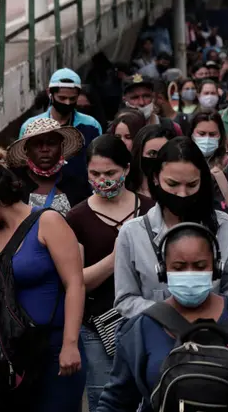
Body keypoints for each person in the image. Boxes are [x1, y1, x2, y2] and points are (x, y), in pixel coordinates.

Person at [96, 223, 228, 412]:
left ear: (216, 267)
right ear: (163, 270)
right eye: (179, 267)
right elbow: (116, 400)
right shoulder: (141, 329)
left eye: (200, 266)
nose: (189, 273)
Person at [0, 153, 85, 411]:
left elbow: (75, 283)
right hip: (9, 360)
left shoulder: (47, 222)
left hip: (54, 350)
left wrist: (70, 344)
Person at [65, 134, 155, 412]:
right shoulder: (77, 217)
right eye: (95, 173)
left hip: (148, 321)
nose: (102, 179)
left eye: (110, 173)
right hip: (98, 327)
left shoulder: (150, 212)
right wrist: (116, 258)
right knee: (105, 400)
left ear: (126, 169)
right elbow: (77, 281)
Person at [114, 137, 228, 318]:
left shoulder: (226, 228)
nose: (182, 193)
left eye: (192, 185)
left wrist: (207, 315)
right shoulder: (132, 233)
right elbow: (125, 299)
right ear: (155, 178)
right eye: (172, 184)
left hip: (214, 335)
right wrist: (169, 316)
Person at [20, 68, 103, 183]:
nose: (67, 103)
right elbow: (23, 163)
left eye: (72, 99)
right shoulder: (30, 126)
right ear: (50, 93)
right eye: (62, 98)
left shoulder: (91, 125)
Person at [8, 118, 88, 216]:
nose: (45, 149)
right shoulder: (12, 185)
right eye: (37, 144)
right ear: (27, 150)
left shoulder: (76, 185)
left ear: (61, 147)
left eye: (51, 143)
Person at [125, 124, 178, 197]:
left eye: (164, 153)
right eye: (152, 153)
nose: (158, 158)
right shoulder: (125, 193)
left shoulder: (177, 194)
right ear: (139, 154)